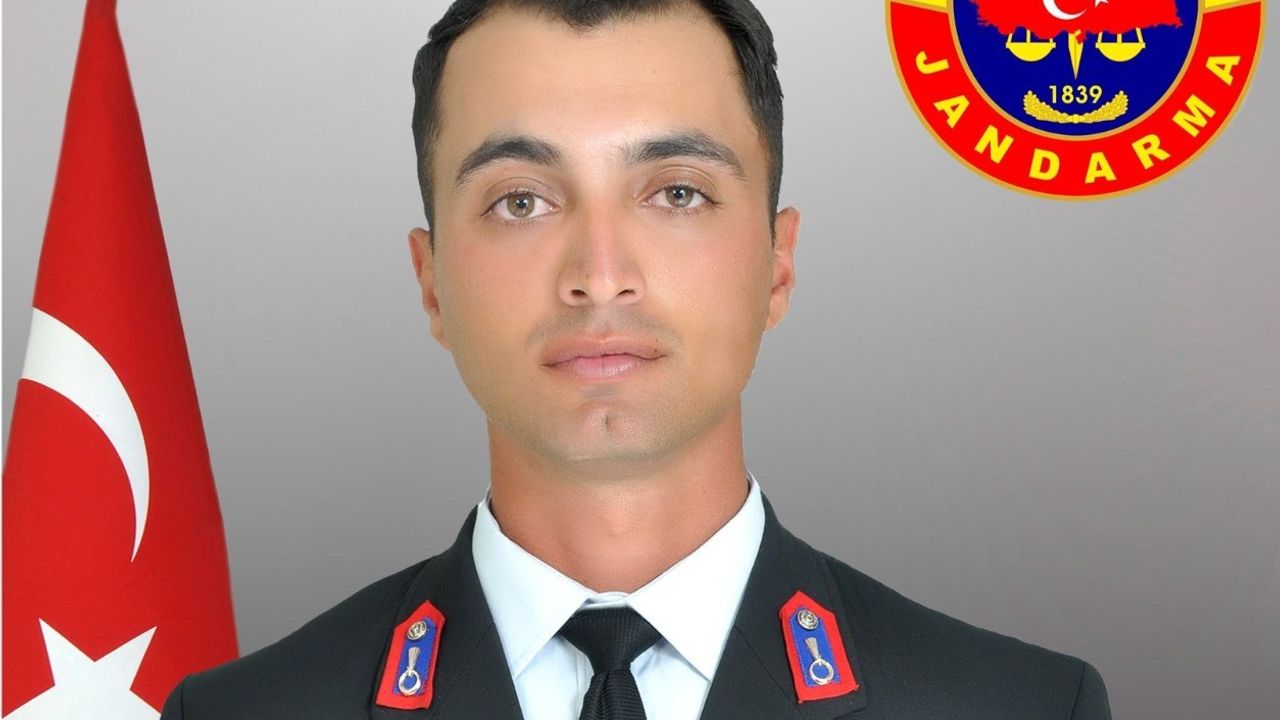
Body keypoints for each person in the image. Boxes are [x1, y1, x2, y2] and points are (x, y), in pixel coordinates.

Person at [160, 1, 1112, 718]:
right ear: (432, 281)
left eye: (677, 193)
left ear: (778, 265)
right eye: (522, 201)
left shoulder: (1019, 707)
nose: (600, 275)